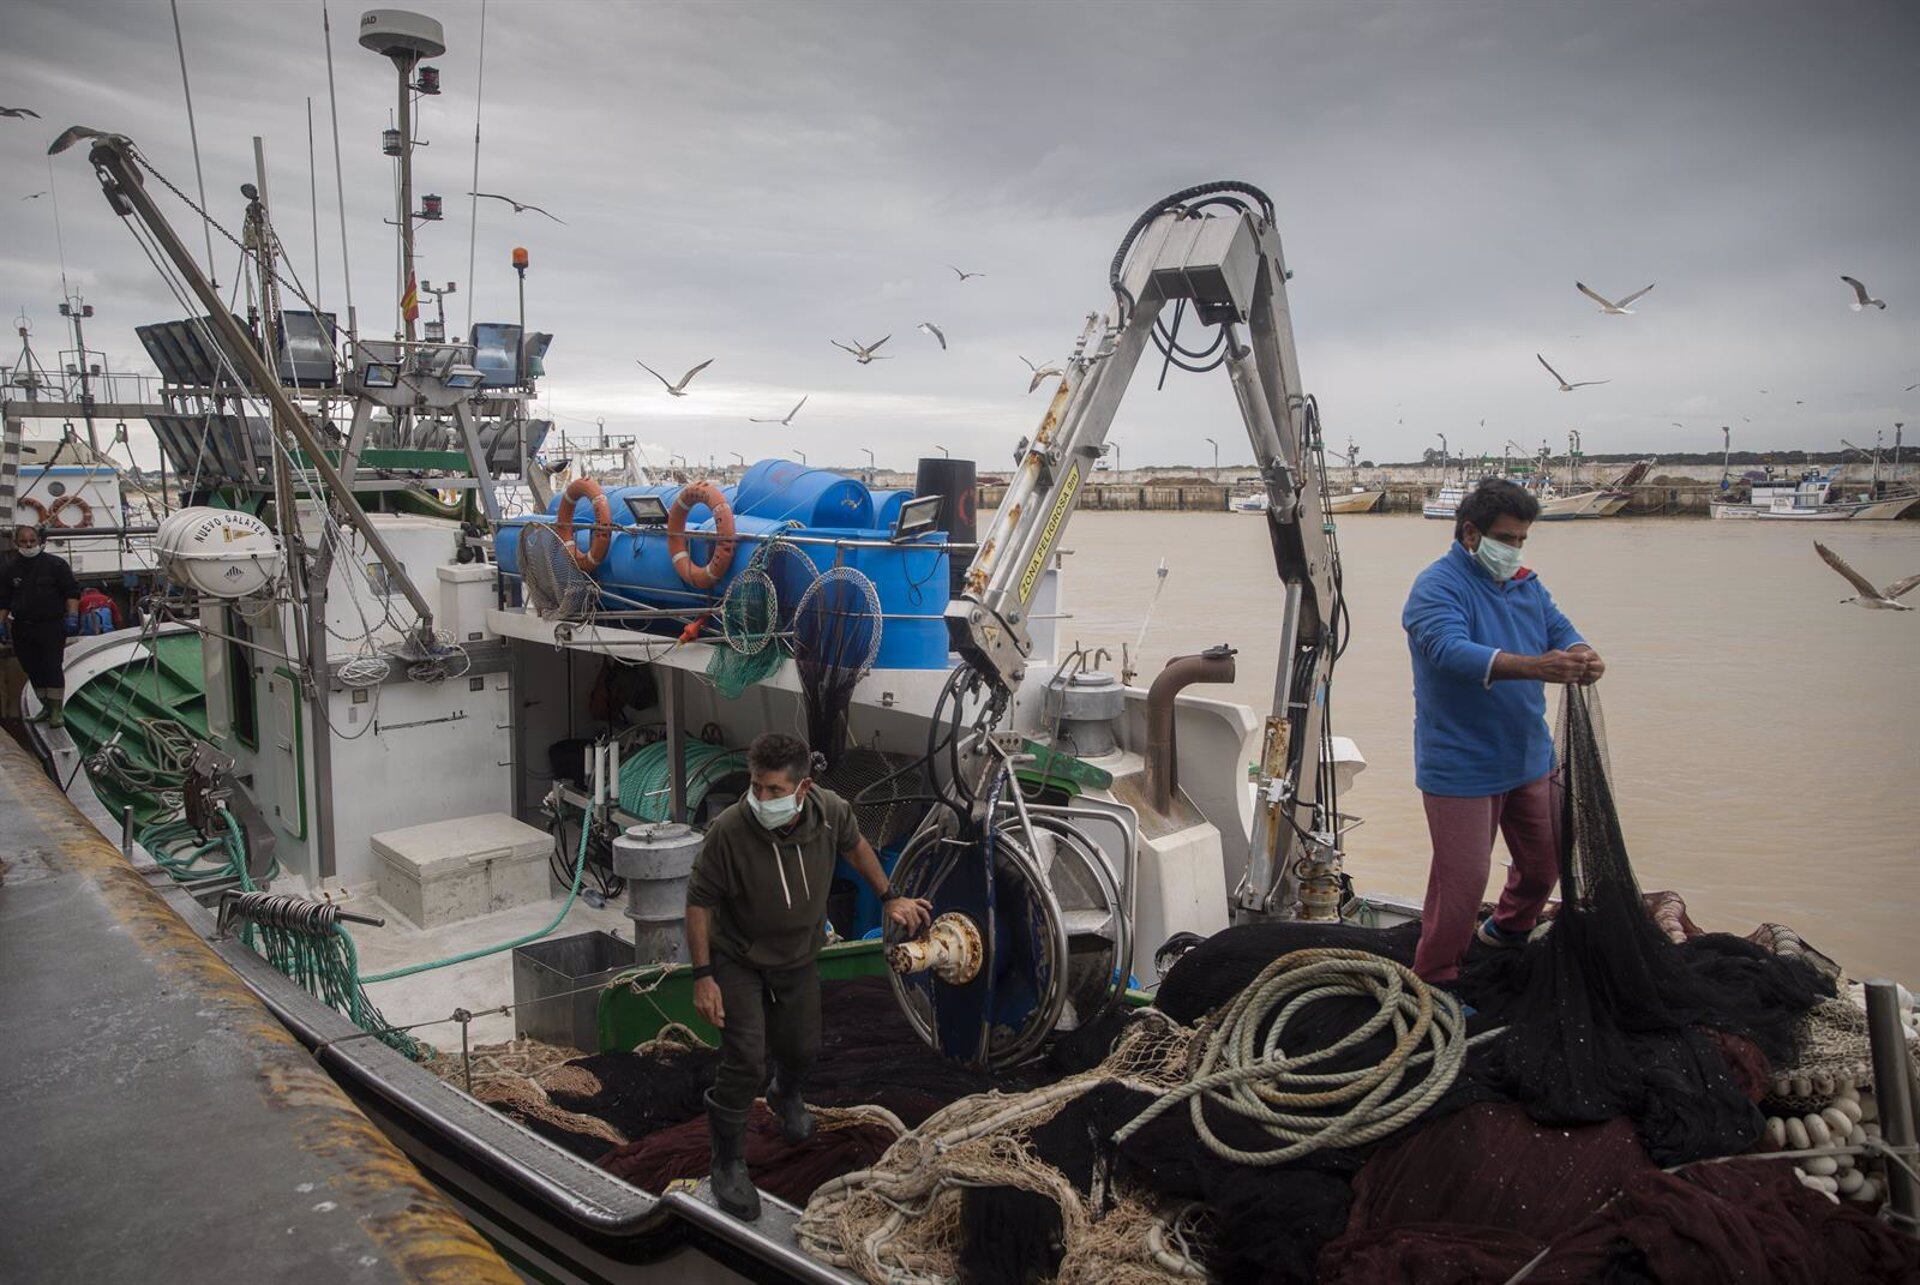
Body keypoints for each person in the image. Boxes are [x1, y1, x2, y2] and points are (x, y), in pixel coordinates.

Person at [684, 731, 933, 1221]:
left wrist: (890, 897)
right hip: (740, 958)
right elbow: (698, 902)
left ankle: (786, 1093)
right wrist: (703, 976)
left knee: (801, 1047)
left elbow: (857, 846)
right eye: (756, 787)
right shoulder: (730, 831)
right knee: (745, 1058)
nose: (761, 799)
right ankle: (729, 1162)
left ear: (802, 789)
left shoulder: (830, 810)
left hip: (798, 956)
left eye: (774, 790)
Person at [1402, 479, 1604, 984]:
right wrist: (1537, 668)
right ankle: (1437, 977)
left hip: (1529, 756)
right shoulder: (1437, 587)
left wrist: (1583, 654)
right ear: (1471, 534)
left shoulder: (1527, 584)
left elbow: (1561, 630)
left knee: (1545, 863)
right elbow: (1448, 650)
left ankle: (1507, 931)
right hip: (1461, 765)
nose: (1514, 550)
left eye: (1522, 540)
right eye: (1507, 539)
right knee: (1462, 885)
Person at [0, 524, 82, 728]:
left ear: (38, 540)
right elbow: (4, 601)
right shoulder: (10, 569)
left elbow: (71, 592)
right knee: (31, 667)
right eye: (24, 542)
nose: (28, 545)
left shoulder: (56, 565)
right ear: (15, 543)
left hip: (51, 625)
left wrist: (72, 616)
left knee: (51, 666)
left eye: (32, 541)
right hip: (22, 627)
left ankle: (56, 709)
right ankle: (45, 705)